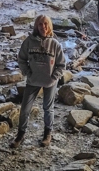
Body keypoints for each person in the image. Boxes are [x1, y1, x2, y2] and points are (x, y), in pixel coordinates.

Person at [13, 15, 67, 148]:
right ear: (36, 26)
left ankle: (47, 134)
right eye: (40, 24)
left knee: (48, 108)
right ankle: (20, 135)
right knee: (25, 109)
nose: (43, 27)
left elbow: (61, 65)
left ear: (50, 26)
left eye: (46, 24)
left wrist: (54, 77)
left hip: (50, 82)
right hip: (33, 80)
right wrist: (27, 73)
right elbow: (21, 59)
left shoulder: (55, 44)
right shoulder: (29, 42)